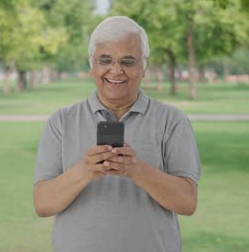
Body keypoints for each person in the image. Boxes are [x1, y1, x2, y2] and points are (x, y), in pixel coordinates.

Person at [33, 16, 201, 252]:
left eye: (128, 61)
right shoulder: (61, 122)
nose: (116, 70)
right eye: (105, 60)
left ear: (144, 66)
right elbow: (43, 204)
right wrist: (86, 170)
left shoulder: (172, 121)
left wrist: (135, 170)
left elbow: (187, 202)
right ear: (92, 65)